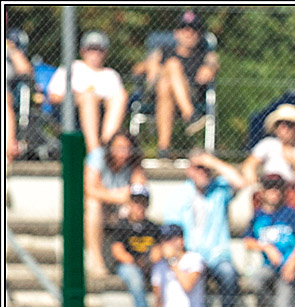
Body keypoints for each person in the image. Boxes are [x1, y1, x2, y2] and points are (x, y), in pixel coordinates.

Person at [163, 148, 246, 307]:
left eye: (205, 168)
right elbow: (171, 230)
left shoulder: (219, 190)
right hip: (190, 253)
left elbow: (241, 182)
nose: (203, 172)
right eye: (198, 167)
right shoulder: (180, 195)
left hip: (217, 254)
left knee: (228, 274)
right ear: (189, 170)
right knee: (191, 274)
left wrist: (212, 162)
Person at [135, 10, 219, 160]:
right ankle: (191, 116)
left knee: (165, 85)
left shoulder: (204, 55)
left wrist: (211, 67)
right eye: (184, 28)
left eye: (194, 29)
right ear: (176, 33)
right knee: (172, 67)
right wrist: (153, 66)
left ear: (199, 33)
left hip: (190, 94)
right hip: (153, 96)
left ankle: (163, 149)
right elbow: (138, 69)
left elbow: (213, 64)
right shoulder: (163, 51)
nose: (189, 33)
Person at [242, 174, 295, 307]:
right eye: (270, 188)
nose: (275, 192)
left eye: (278, 188)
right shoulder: (258, 215)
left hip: (287, 268)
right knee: (254, 282)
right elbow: (247, 241)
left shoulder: (289, 213)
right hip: (269, 267)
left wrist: (292, 262)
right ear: (263, 192)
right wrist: (266, 248)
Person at [46, 31, 128, 153]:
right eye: (91, 49)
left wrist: (98, 99)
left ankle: (107, 145)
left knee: (121, 96)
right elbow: (54, 96)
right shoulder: (72, 68)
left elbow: (116, 100)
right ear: (83, 51)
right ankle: (94, 151)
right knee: (88, 97)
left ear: (106, 53)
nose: (95, 54)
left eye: (99, 50)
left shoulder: (111, 75)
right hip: (70, 113)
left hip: (102, 113)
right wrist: (79, 96)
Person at [84, 130, 147, 278]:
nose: (122, 153)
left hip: (120, 208)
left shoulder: (134, 162)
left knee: (135, 207)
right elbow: (89, 190)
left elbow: (140, 190)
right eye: (118, 148)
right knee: (93, 206)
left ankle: (135, 257)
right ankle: (96, 260)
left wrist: (122, 196)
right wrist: (118, 196)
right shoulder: (98, 156)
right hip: (102, 207)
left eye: (126, 148)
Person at [105, 184, 162, 307]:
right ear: (130, 204)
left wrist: (149, 262)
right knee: (134, 276)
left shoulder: (152, 227)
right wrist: (137, 262)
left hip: (149, 264)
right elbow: (118, 252)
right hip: (128, 265)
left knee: (163, 272)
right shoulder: (121, 226)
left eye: (143, 203)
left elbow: (159, 250)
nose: (139, 207)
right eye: (136, 202)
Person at [6, 32, 33, 162]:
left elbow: (25, 70)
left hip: (9, 95)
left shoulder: (12, 40)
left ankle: (9, 147)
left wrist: (11, 49)